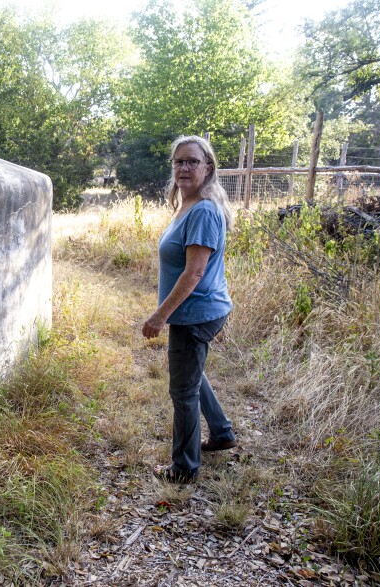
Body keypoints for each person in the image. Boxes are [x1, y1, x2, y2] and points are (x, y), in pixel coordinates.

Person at [142, 135, 238, 484]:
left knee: (182, 391)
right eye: (179, 161)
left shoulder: (203, 211)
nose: (184, 167)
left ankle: (183, 469)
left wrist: (160, 315)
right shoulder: (189, 205)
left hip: (195, 312)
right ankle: (223, 432)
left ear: (208, 167)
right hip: (197, 309)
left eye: (192, 161)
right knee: (191, 373)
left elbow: (194, 272)